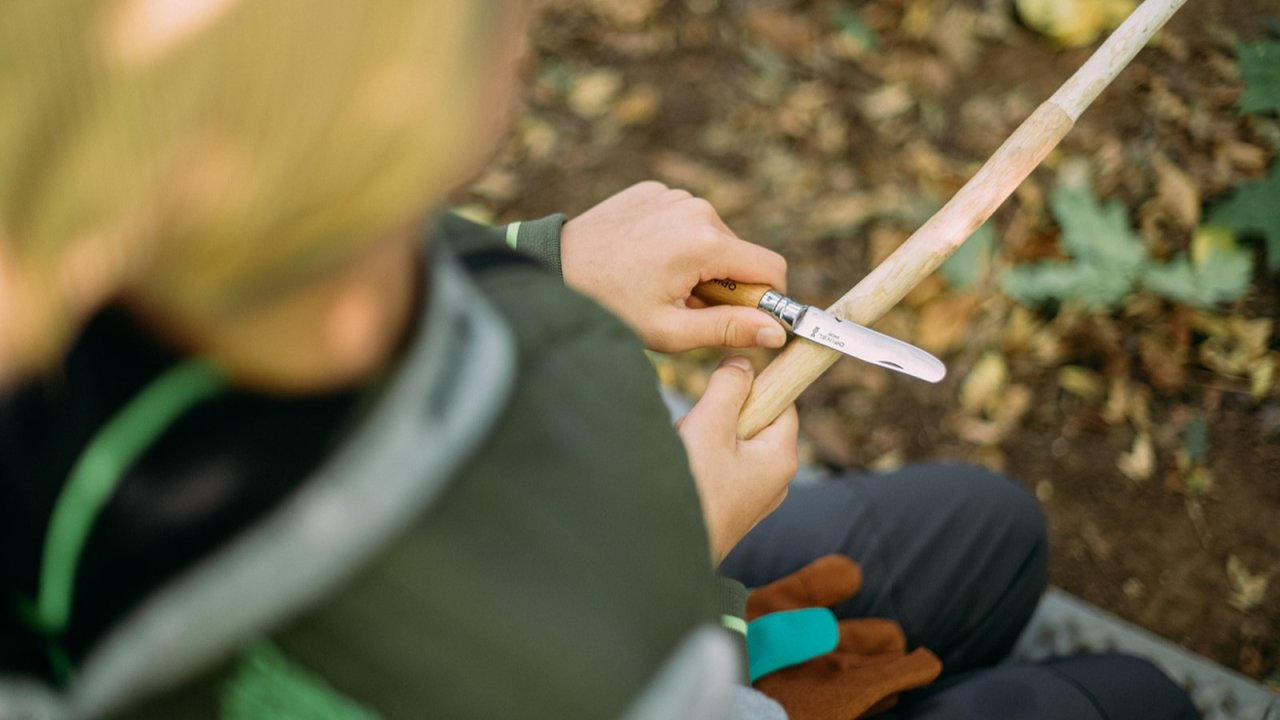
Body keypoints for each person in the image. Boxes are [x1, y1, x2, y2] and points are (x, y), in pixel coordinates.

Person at [0, 1, 1198, 719]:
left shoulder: (90, 189)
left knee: (984, 533)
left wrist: (538, 257)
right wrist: (665, 564)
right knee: (1123, 705)